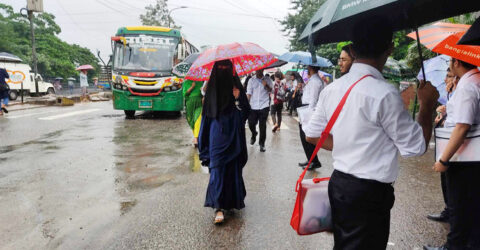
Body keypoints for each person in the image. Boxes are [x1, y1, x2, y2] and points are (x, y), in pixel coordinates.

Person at [304, 16, 439, 250]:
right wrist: (426, 106)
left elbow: (312, 134)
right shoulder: (384, 93)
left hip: (339, 184)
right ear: (390, 48)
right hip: (369, 193)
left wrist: (350, 145)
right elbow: (416, 147)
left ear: (353, 50)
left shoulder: (332, 89)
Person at [425, 58, 480, 250]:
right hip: (472, 155)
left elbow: (462, 126)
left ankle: (453, 246)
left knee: (459, 204)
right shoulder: (474, 80)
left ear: (456, 62)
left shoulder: (468, 86)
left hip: (463, 155)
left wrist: (443, 159)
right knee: (471, 202)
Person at [199, 59, 251, 224]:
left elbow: (244, 114)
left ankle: (231, 202)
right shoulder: (211, 92)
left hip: (234, 134)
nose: (223, 71)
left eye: (226, 68)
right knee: (218, 169)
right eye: (220, 68)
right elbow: (206, 121)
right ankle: (218, 207)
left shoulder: (236, 89)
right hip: (217, 136)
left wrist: (238, 99)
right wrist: (203, 143)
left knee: (233, 169)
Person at [428, 69, 460, 224]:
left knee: (453, 181)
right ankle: (449, 210)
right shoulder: (452, 93)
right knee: (446, 180)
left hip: (457, 146)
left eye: (449, 76)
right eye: (446, 76)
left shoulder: (465, 91)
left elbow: (462, 122)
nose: (446, 79)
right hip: (446, 141)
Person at [297, 65, 324, 170]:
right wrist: (302, 87)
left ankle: (314, 161)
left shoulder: (315, 81)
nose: (306, 68)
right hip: (306, 108)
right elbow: (308, 95)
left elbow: (313, 99)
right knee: (304, 136)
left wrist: (308, 115)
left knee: (306, 136)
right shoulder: (312, 80)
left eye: (308, 67)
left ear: (311, 68)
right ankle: (311, 159)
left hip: (309, 109)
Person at [247, 68, 273, 152]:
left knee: (262, 125)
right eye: (257, 70)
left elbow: (271, 91)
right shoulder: (251, 80)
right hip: (253, 106)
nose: (258, 71)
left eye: (260, 69)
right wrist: (246, 104)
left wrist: (266, 85)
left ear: (263, 69)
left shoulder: (268, 79)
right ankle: (254, 134)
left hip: (264, 105)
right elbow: (249, 93)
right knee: (251, 123)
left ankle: (262, 144)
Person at [183, 80, 203, 147]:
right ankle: (195, 135)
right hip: (190, 103)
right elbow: (185, 94)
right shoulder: (186, 82)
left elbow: (204, 93)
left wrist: (202, 90)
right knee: (191, 120)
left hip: (199, 103)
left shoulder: (201, 82)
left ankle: (196, 138)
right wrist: (192, 87)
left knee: (197, 119)